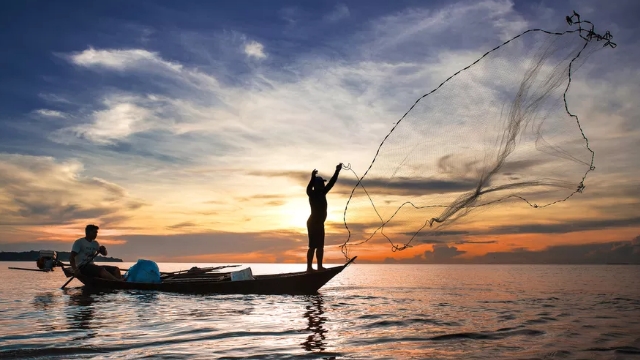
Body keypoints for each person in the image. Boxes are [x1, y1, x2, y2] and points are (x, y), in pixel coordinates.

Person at [306, 163, 342, 272]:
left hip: (320, 223)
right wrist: (312, 178)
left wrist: (337, 171)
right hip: (313, 223)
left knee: (320, 246)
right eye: (321, 183)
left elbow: (332, 183)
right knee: (313, 246)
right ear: (317, 185)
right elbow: (308, 188)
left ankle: (319, 267)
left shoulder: (323, 193)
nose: (323, 185)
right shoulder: (311, 194)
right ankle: (309, 268)